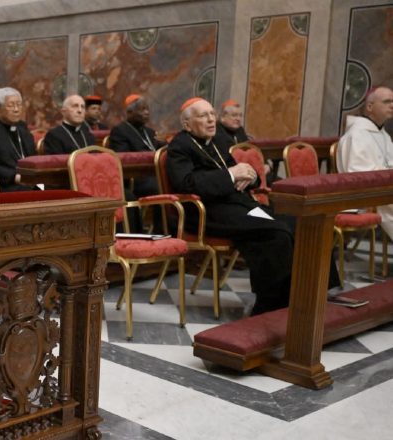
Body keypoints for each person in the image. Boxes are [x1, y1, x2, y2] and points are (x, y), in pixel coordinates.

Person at [166, 97, 337, 315]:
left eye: (212, 114)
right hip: (209, 213)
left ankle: (315, 292)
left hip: (240, 206)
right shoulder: (179, 147)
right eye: (202, 116)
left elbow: (244, 176)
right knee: (275, 233)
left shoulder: (218, 141)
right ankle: (271, 304)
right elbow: (186, 183)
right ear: (187, 124)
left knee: (305, 223)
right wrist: (231, 174)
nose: (211, 120)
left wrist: (250, 174)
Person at [337, 86, 393, 239]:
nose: (392, 105)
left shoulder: (383, 135)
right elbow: (359, 176)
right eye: (387, 101)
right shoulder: (356, 135)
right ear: (370, 107)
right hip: (367, 195)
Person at [0, 87, 36, 192]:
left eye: (19, 104)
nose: (16, 109)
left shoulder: (23, 128)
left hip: (32, 182)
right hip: (8, 185)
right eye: (10, 105)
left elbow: (33, 157)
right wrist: (14, 176)